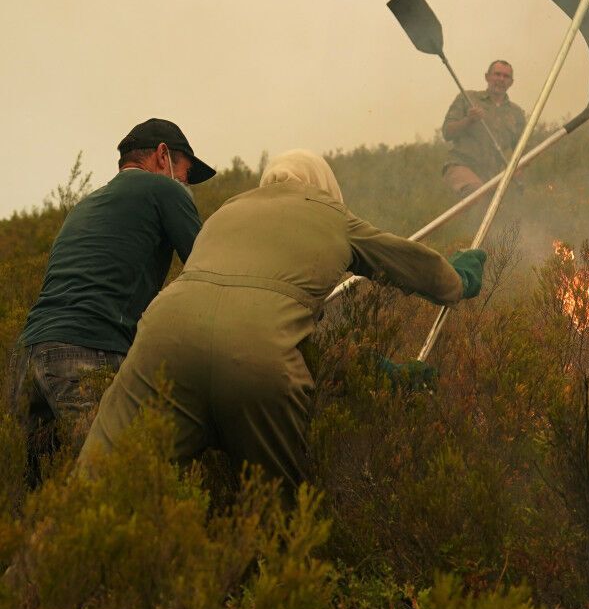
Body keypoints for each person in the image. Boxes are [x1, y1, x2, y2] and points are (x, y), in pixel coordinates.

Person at [79, 149, 486, 498]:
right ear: (323, 185)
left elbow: (238, 299)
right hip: (257, 352)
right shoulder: (331, 214)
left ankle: (36, 577)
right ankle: (273, 580)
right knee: (274, 511)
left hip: (163, 336)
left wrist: (377, 370)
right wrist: (456, 280)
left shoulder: (227, 211)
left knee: (101, 488)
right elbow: (406, 263)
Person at [11, 118, 215, 476]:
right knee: (118, 485)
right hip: (85, 353)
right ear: (163, 156)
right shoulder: (164, 190)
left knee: (37, 498)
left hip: (29, 354)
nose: (186, 185)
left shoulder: (85, 206)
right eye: (184, 173)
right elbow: (209, 273)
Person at [441, 60, 527, 198]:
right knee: (476, 193)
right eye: (497, 74)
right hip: (461, 166)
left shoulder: (516, 113)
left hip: (492, 177)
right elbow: (447, 133)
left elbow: (522, 150)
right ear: (487, 77)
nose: (501, 79)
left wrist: (518, 169)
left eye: (506, 77)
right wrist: (469, 120)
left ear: (511, 82)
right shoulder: (467, 98)